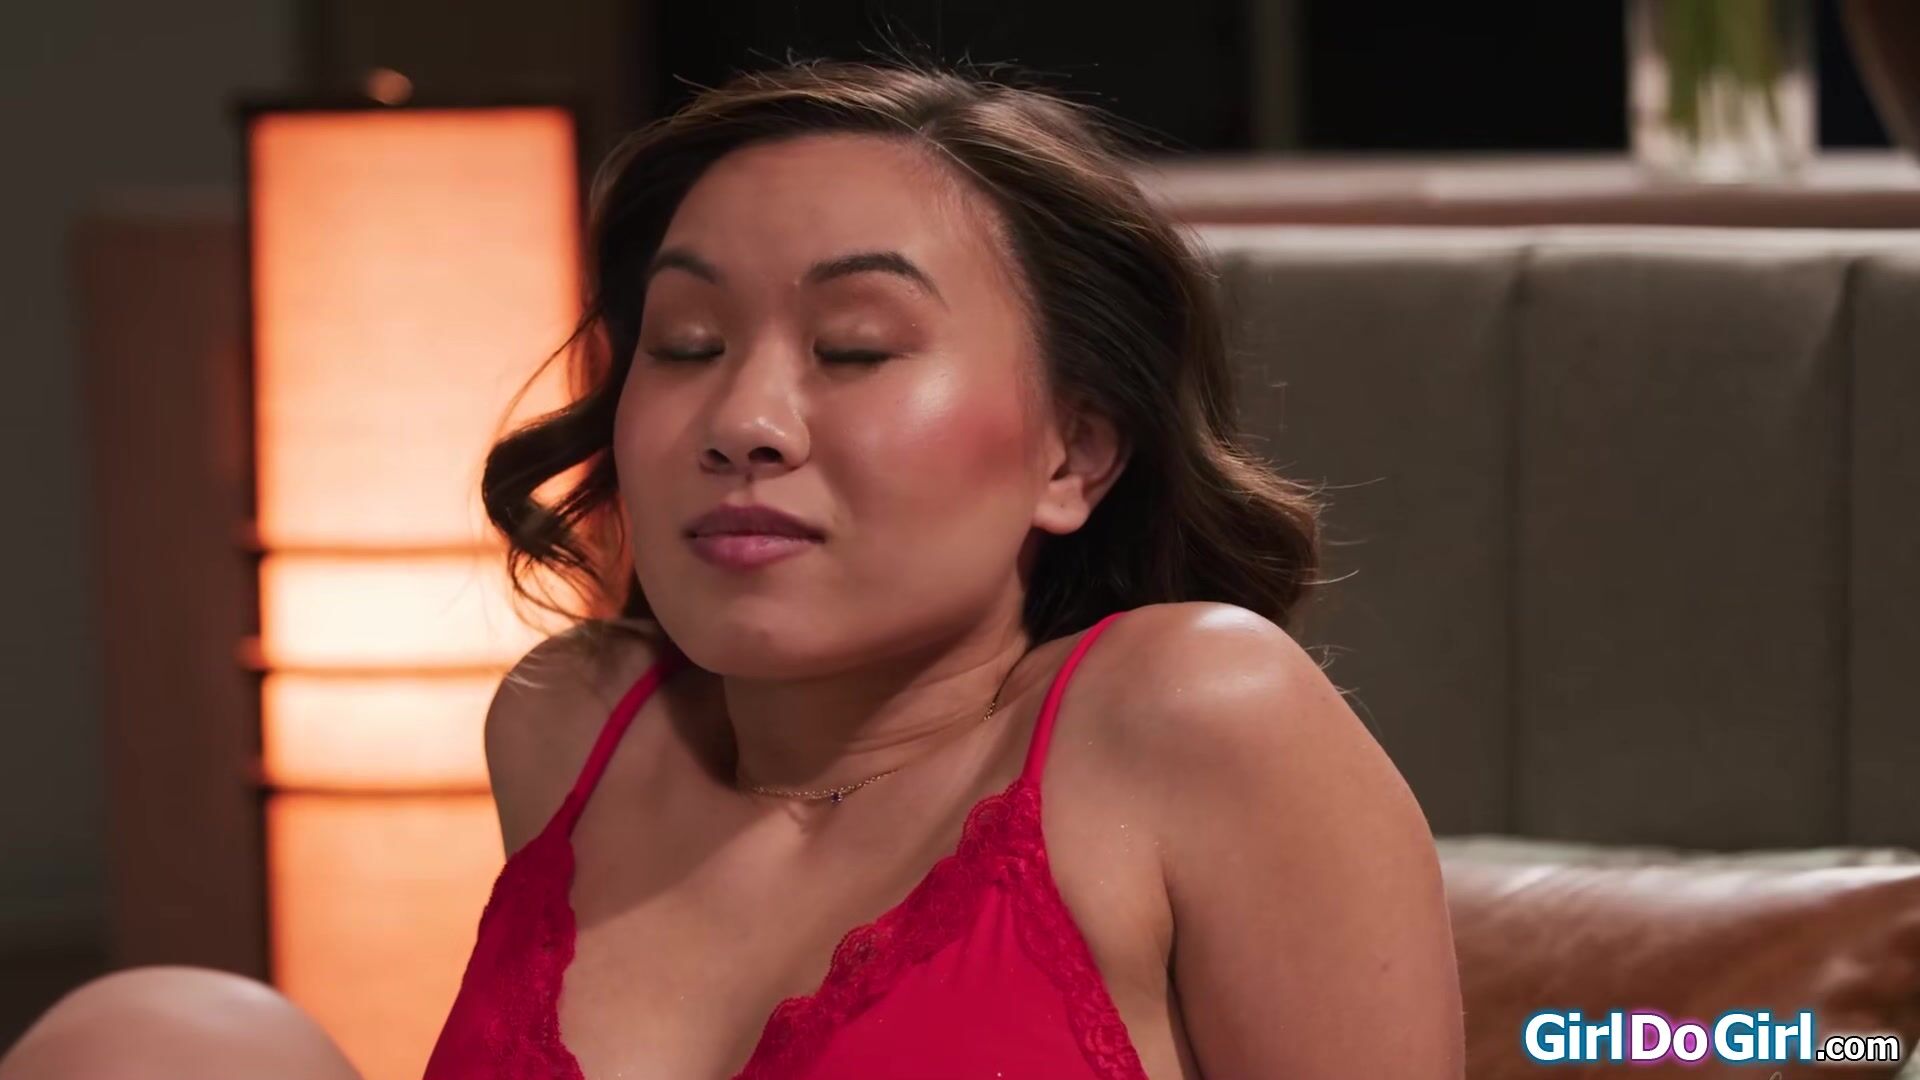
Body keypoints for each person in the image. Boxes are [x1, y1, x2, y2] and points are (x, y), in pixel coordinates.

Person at [1, 56, 1464, 1080]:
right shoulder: (573, 722)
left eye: (856, 350)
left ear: (1072, 455)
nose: (743, 419)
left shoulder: (1192, 716)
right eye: (687, 344)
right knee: (157, 1038)